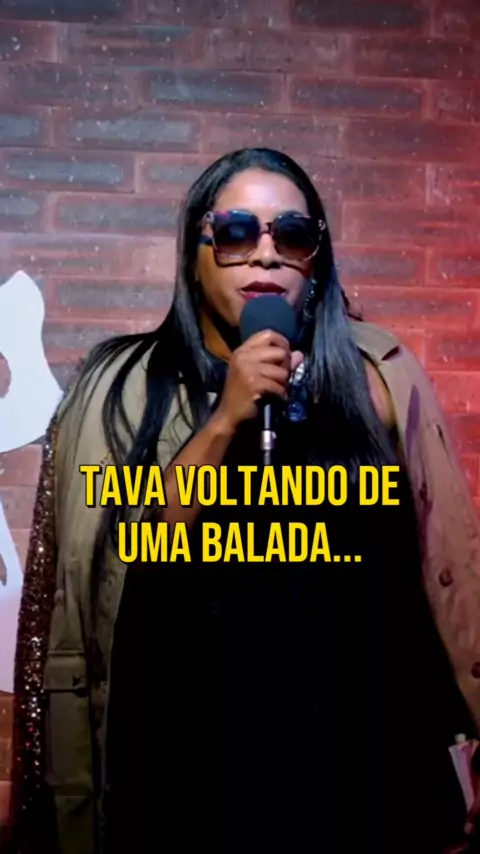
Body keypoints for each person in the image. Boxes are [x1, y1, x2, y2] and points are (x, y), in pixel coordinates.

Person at [7, 147, 480, 854]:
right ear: (194, 254)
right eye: (234, 232)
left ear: (315, 258)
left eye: (292, 234)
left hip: (359, 777)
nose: (265, 253)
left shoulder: (380, 378)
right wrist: (226, 419)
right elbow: (126, 567)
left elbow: (446, 571)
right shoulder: (121, 386)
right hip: (186, 775)